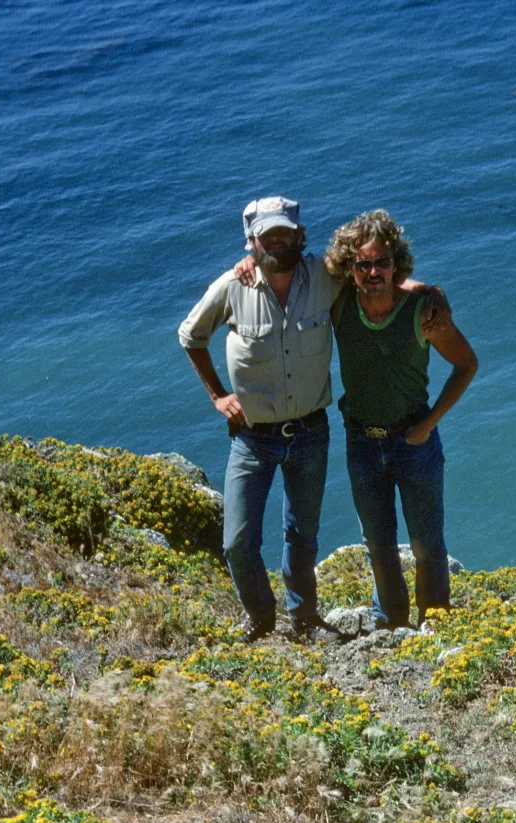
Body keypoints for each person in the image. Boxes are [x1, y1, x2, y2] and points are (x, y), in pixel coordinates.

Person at [178, 197, 446, 642]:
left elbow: (378, 278)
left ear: (300, 236)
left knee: (302, 537)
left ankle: (304, 620)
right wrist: (218, 395)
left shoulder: (325, 277)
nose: (278, 242)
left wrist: (430, 292)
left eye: (286, 233)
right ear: (252, 241)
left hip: (309, 433)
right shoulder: (231, 286)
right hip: (251, 437)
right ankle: (261, 620)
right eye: (267, 236)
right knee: (237, 542)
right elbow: (191, 335)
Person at [326, 210, 478, 628]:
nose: (373, 272)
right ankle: (388, 628)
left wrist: (429, 424)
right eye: (363, 264)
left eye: (382, 262)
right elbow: (291, 279)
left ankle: (435, 627)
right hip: (361, 443)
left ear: (396, 263)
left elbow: (466, 364)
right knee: (377, 545)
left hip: (414, 444)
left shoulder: (423, 313)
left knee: (427, 546)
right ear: (349, 268)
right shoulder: (339, 305)